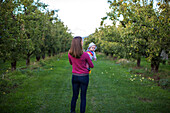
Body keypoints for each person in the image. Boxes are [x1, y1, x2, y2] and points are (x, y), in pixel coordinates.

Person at [68, 36, 94, 113]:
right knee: (83, 97)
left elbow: (71, 63)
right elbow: (91, 65)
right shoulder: (85, 54)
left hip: (75, 76)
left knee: (74, 96)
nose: (82, 43)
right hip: (84, 77)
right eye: (82, 42)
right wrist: (86, 64)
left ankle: (72, 111)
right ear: (79, 43)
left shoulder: (70, 54)